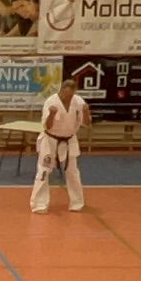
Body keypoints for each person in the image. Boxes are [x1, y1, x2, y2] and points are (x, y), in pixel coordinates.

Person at [30, 76, 89, 214]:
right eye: (65, 94)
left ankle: (77, 203)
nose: (67, 98)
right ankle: (39, 204)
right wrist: (51, 114)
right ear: (61, 90)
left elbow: (87, 124)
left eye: (70, 95)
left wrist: (86, 112)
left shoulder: (78, 102)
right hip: (50, 140)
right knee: (44, 171)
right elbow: (47, 126)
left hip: (69, 140)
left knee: (73, 172)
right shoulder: (51, 102)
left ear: (74, 92)